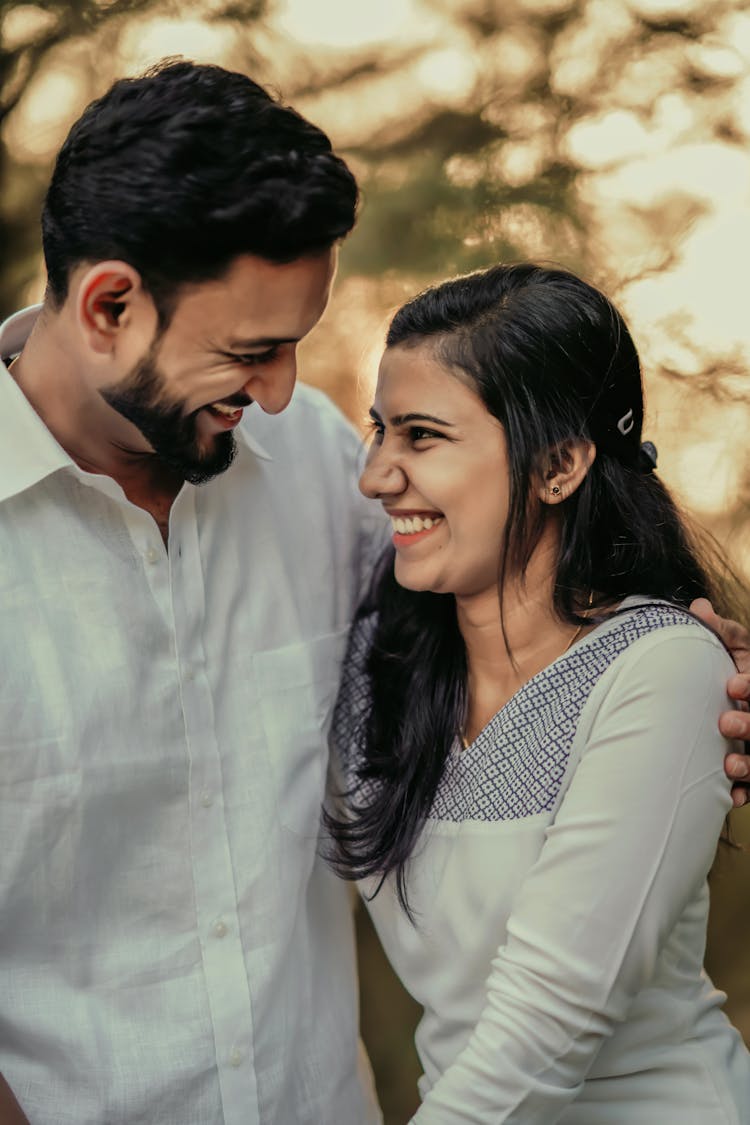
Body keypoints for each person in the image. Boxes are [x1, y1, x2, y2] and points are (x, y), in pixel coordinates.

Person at [0, 59, 386, 1124]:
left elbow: (485, 659)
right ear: (110, 305)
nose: (281, 391)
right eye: (250, 352)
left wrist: (658, 660)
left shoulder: (315, 459)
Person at [328, 262, 750, 1122]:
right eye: (379, 431)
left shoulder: (659, 669)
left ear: (559, 464)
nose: (375, 475)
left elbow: (549, 1018)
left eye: (422, 436)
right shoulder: (378, 667)